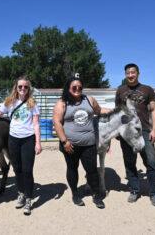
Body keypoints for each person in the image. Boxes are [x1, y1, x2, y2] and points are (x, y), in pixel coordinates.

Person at [0, 76, 42, 215]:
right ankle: (21, 194)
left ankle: (29, 199)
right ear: (16, 88)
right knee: (17, 168)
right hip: (13, 139)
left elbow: (36, 124)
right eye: (20, 87)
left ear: (29, 88)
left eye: (25, 87)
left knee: (27, 170)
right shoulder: (10, 102)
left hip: (28, 139)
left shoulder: (32, 103)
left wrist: (38, 142)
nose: (23, 89)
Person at [53, 77, 112, 209]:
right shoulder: (62, 103)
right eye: (74, 87)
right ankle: (75, 194)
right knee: (72, 169)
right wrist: (64, 142)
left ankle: (96, 195)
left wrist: (116, 110)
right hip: (70, 145)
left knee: (92, 171)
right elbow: (57, 122)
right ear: (68, 88)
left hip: (89, 144)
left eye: (80, 87)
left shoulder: (89, 100)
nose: (77, 89)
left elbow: (99, 111)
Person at [115, 63, 155, 207]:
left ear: (138, 74)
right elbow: (117, 111)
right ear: (125, 75)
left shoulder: (147, 90)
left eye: (133, 73)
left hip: (145, 131)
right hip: (126, 133)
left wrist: (154, 130)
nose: (130, 75)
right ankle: (134, 190)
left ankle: (154, 194)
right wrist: (118, 130)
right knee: (129, 163)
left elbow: (153, 110)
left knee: (151, 163)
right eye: (128, 73)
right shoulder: (120, 90)